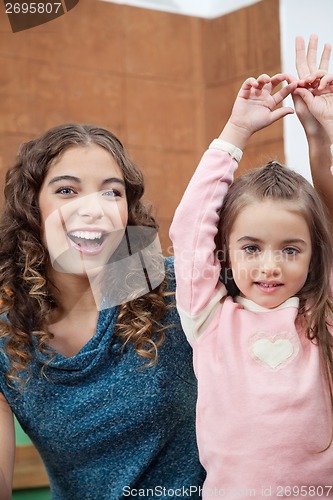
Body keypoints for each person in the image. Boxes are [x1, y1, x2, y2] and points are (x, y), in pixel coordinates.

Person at [0, 124, 205, 499]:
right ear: (32, 207)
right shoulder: (7, 337)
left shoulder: (174, 285)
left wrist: (322, 146)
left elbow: (312, 261)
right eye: (66, 190)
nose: (92, 209)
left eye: (112, 192)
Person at [169, 36, 333, 499]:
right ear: (224, 250)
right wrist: (236, 132)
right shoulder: (210, 317)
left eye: (290, 250)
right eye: (251, 247)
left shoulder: (320, 316)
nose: (270, 266)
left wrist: (324, 136)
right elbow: (190, 226)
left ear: (314, 255)